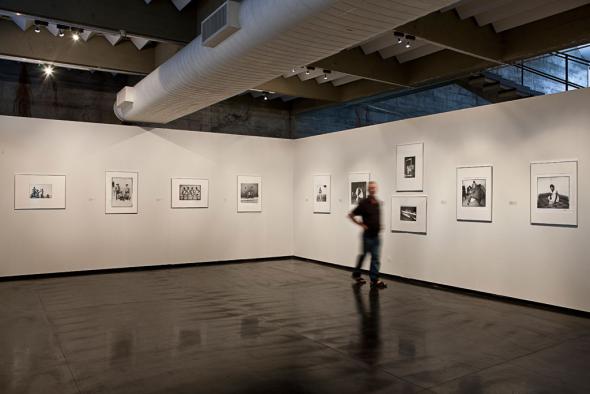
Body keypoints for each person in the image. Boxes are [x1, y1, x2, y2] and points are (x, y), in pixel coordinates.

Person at [348, 181, 387, 289]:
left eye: (374, 187)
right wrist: (361, 224)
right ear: (368, 189)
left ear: (376, 189)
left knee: (375, 258)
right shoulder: (364, 203)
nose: (372, 189)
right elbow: (351, 215)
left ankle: (374, 280)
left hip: (376, 236)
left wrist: (380, 226)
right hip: (367, 236)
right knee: (364, 256)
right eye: (370, 188)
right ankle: (356, 274)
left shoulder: (378, 203)